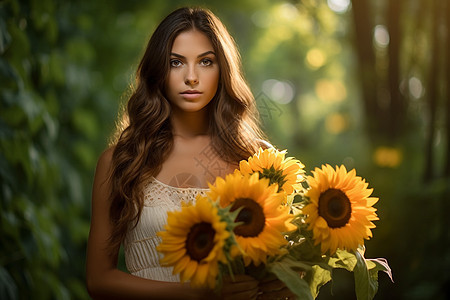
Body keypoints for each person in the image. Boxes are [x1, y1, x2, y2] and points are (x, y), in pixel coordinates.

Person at [86, 6, 295, 300]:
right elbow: (98, 280)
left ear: (223, 70)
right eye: (176, 62)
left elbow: (286, 271)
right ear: (158, 70)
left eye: (206, 62)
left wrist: (288, 282)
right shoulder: (121, 161)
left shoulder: (259, 159)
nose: (192, 77)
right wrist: (198, 293)